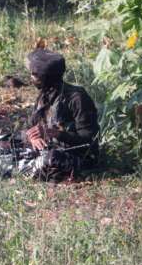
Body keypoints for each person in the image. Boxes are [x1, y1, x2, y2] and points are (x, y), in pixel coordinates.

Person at [17, 48, 100, 180]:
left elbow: (90, 140)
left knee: (50, 160)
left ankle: (25, 168)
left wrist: (57, 134)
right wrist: (32, 138)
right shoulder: (43, 95)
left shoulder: (77, 98)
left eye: (35, 75)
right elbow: (26, 128)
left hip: (76, 156)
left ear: (47, 77)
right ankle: (26, 166)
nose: (31, 78)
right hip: (47, 150)